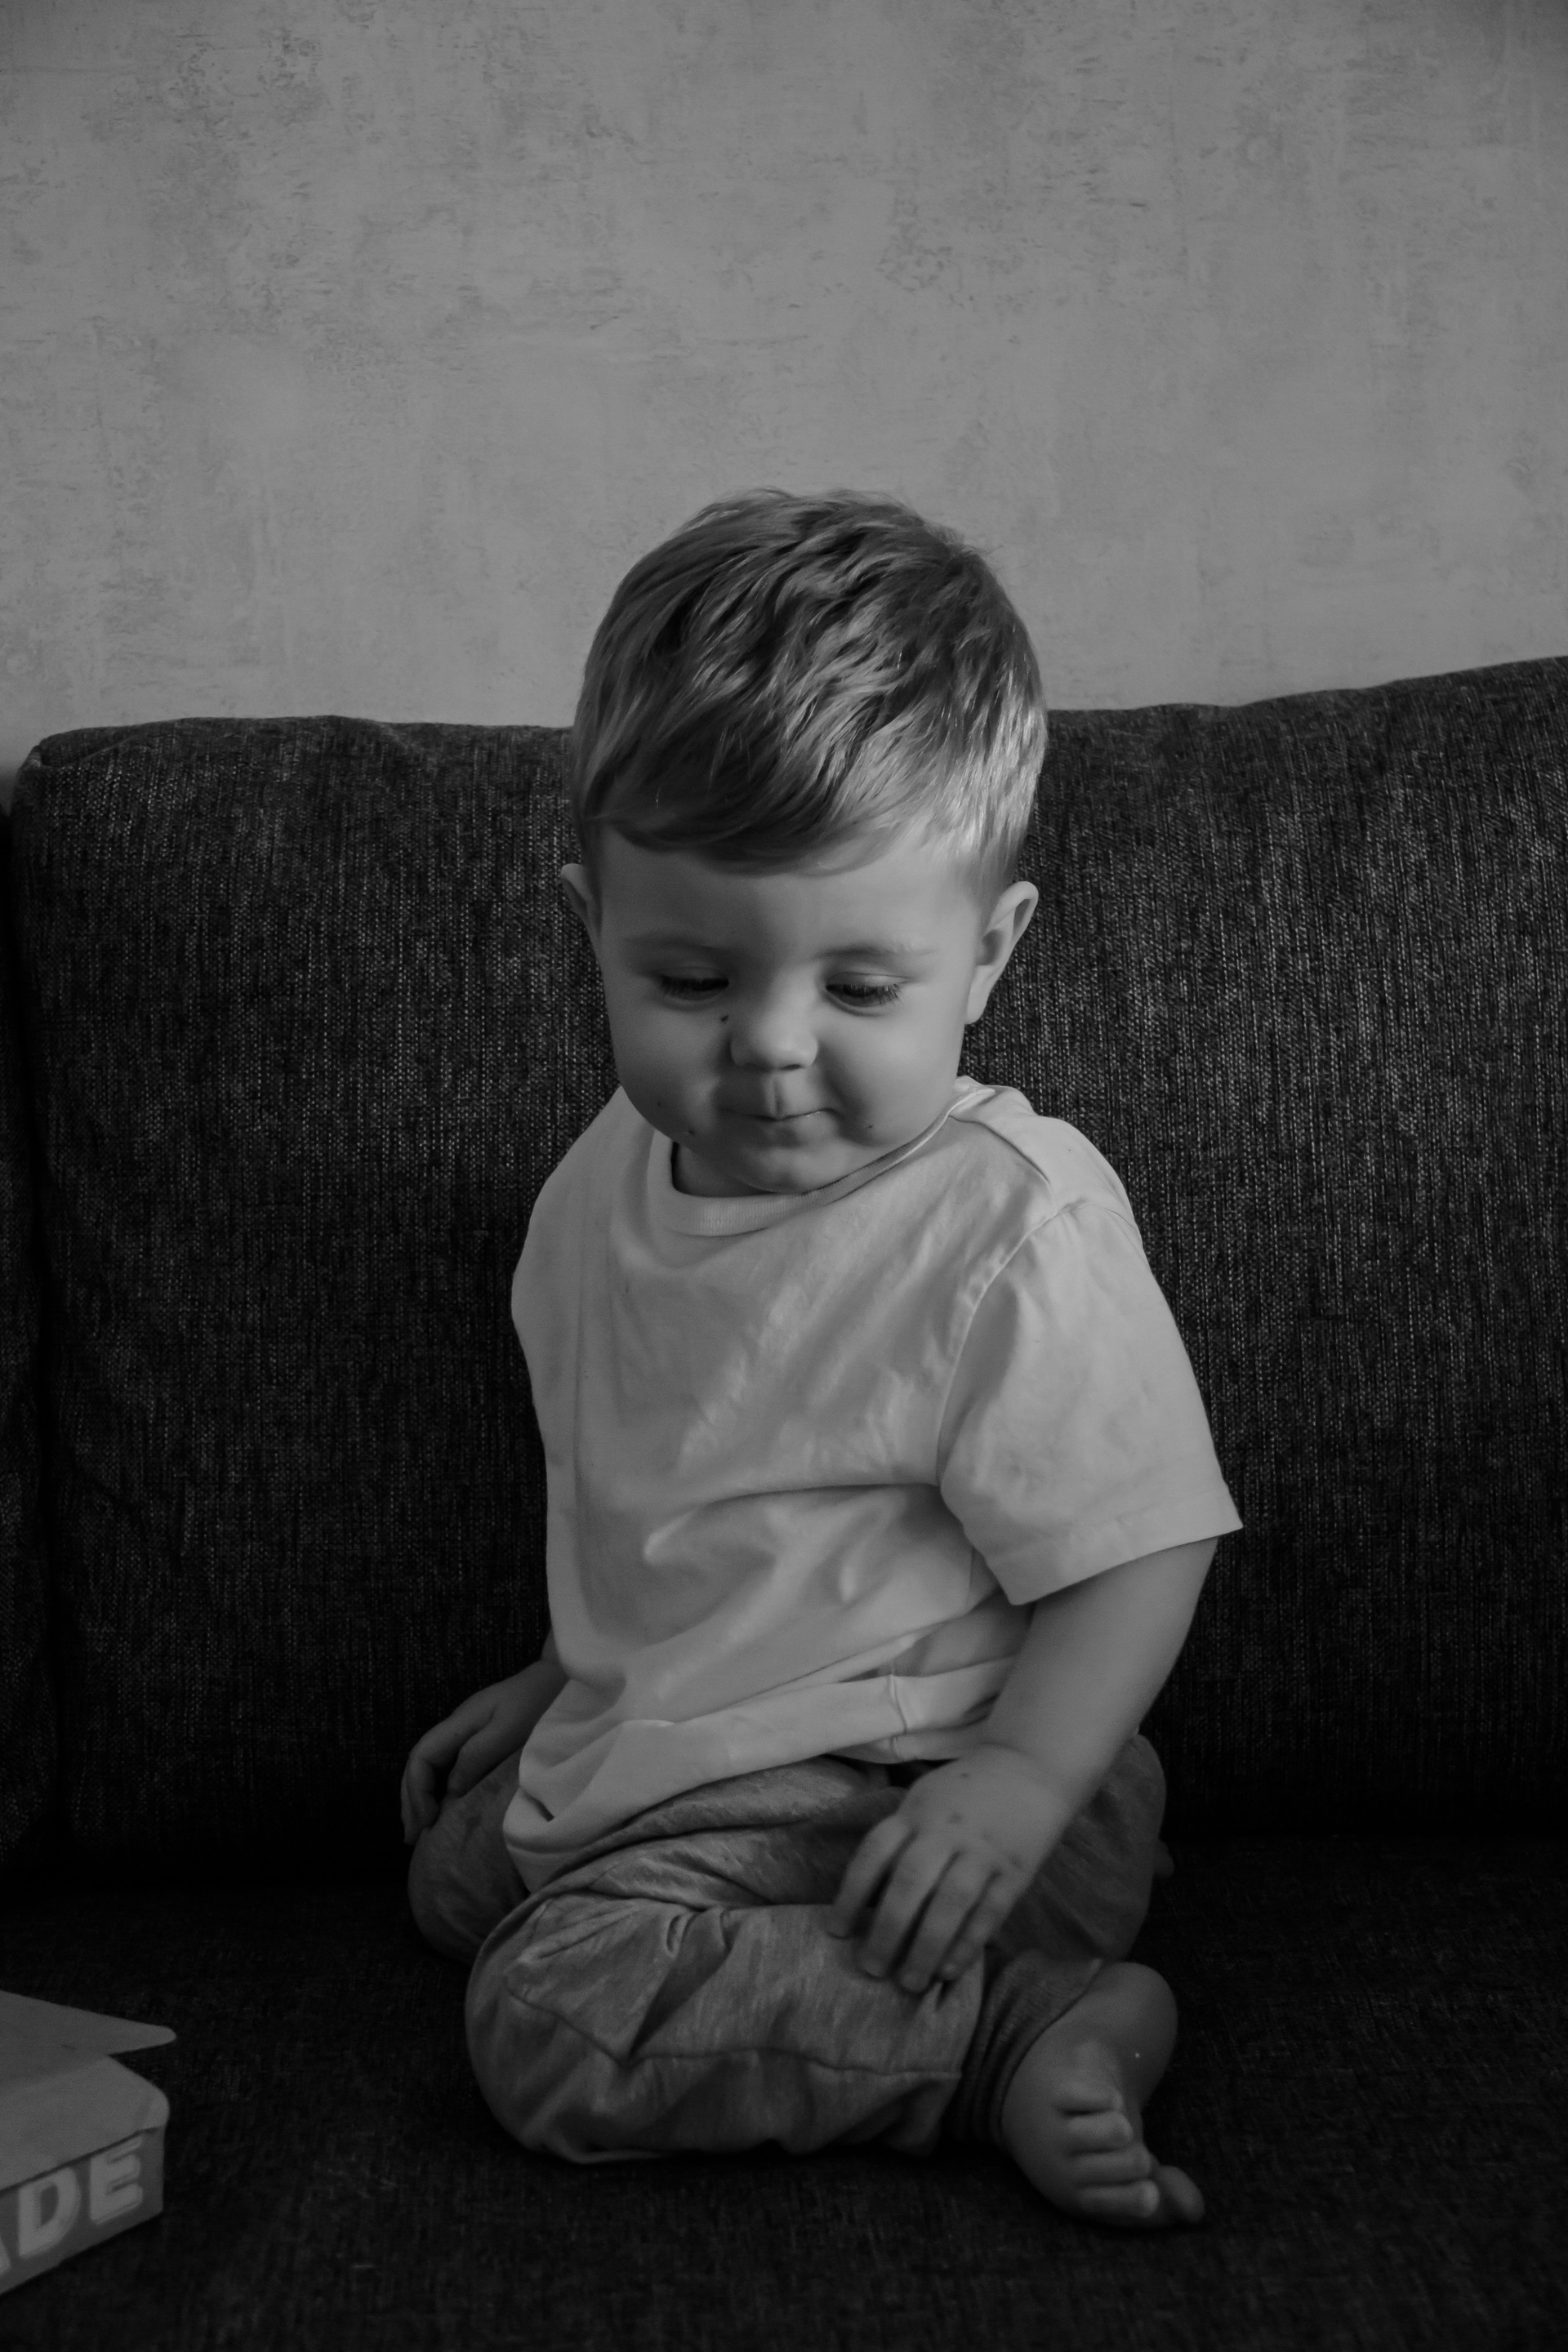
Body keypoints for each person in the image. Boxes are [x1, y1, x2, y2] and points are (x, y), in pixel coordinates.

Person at [402, 488, 1241, 2226]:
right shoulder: (594, 1196)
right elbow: (674, 1505)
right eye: (693, 980)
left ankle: (1016, 2027)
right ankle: (759, 1951)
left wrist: (1020, 1786)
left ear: (987, 955)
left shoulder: (1008, 1221)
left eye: (861, 990)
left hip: (940, 1777)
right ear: (591, 931)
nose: (772, 1048)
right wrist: (565, 1677)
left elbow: (1144, 1549)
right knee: (452, 1869)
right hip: (727, 1742)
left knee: (544, 2015)